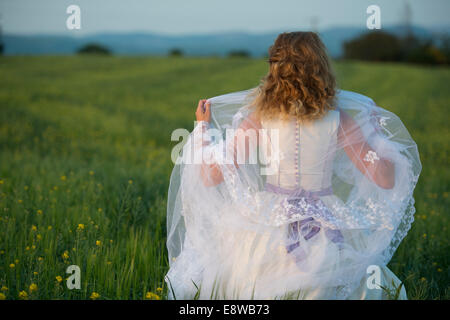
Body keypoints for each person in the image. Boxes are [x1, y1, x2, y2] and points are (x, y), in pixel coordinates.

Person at [165, 32, 421, 299]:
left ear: (275, 69)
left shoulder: (259, 117)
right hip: (324, 222)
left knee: (247, 278)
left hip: (270, 218)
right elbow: (384, 178)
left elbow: (211, 176)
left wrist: (202, 129)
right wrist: (375, 134)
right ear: (321, 67)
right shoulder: (339, 119)